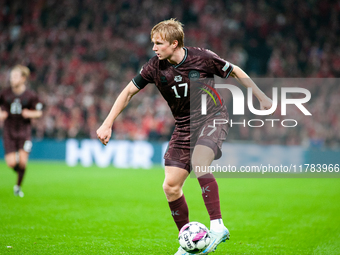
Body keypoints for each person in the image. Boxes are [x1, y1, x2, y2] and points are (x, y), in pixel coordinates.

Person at [97, 19, 272, 254]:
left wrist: (260, 96)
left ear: (175, 43)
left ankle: (218, 226)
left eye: (159, 43)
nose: (154, 48)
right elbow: (129, 91)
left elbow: (236, 71)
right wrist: (108, 123)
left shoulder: (204, 57)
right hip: (184, 126)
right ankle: (188, 242)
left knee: (200, 162)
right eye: (153, 43)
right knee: (170, 186)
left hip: (213, 117)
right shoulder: (154, 67)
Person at [0, 65, 43, 197]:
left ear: (23, 78)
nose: (12, 79)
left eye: (15, 76)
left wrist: (29, 113)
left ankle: (17, 187)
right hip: (9, 131)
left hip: (24, 132)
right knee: (11, 163)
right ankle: (20, 172)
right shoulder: (4, 94)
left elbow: (39, 113)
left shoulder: (31, 95)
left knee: (23, 161)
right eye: (11, 76)